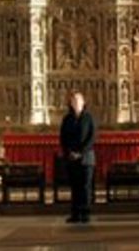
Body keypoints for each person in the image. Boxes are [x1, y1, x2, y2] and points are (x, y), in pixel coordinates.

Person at [60, 90, 97, 224]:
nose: (75, 102)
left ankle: (85, 213)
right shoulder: (67, 119)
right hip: (71, 158)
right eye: (73, 100)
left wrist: (80, 152)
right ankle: (75, 213)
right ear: (70, 103)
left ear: (83, 102)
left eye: (78, 100)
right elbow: (63, 138)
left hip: (86, 158)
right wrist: (69, 152)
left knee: (85, 186)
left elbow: (92, 138)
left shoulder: (89, 117)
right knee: (75, 187)